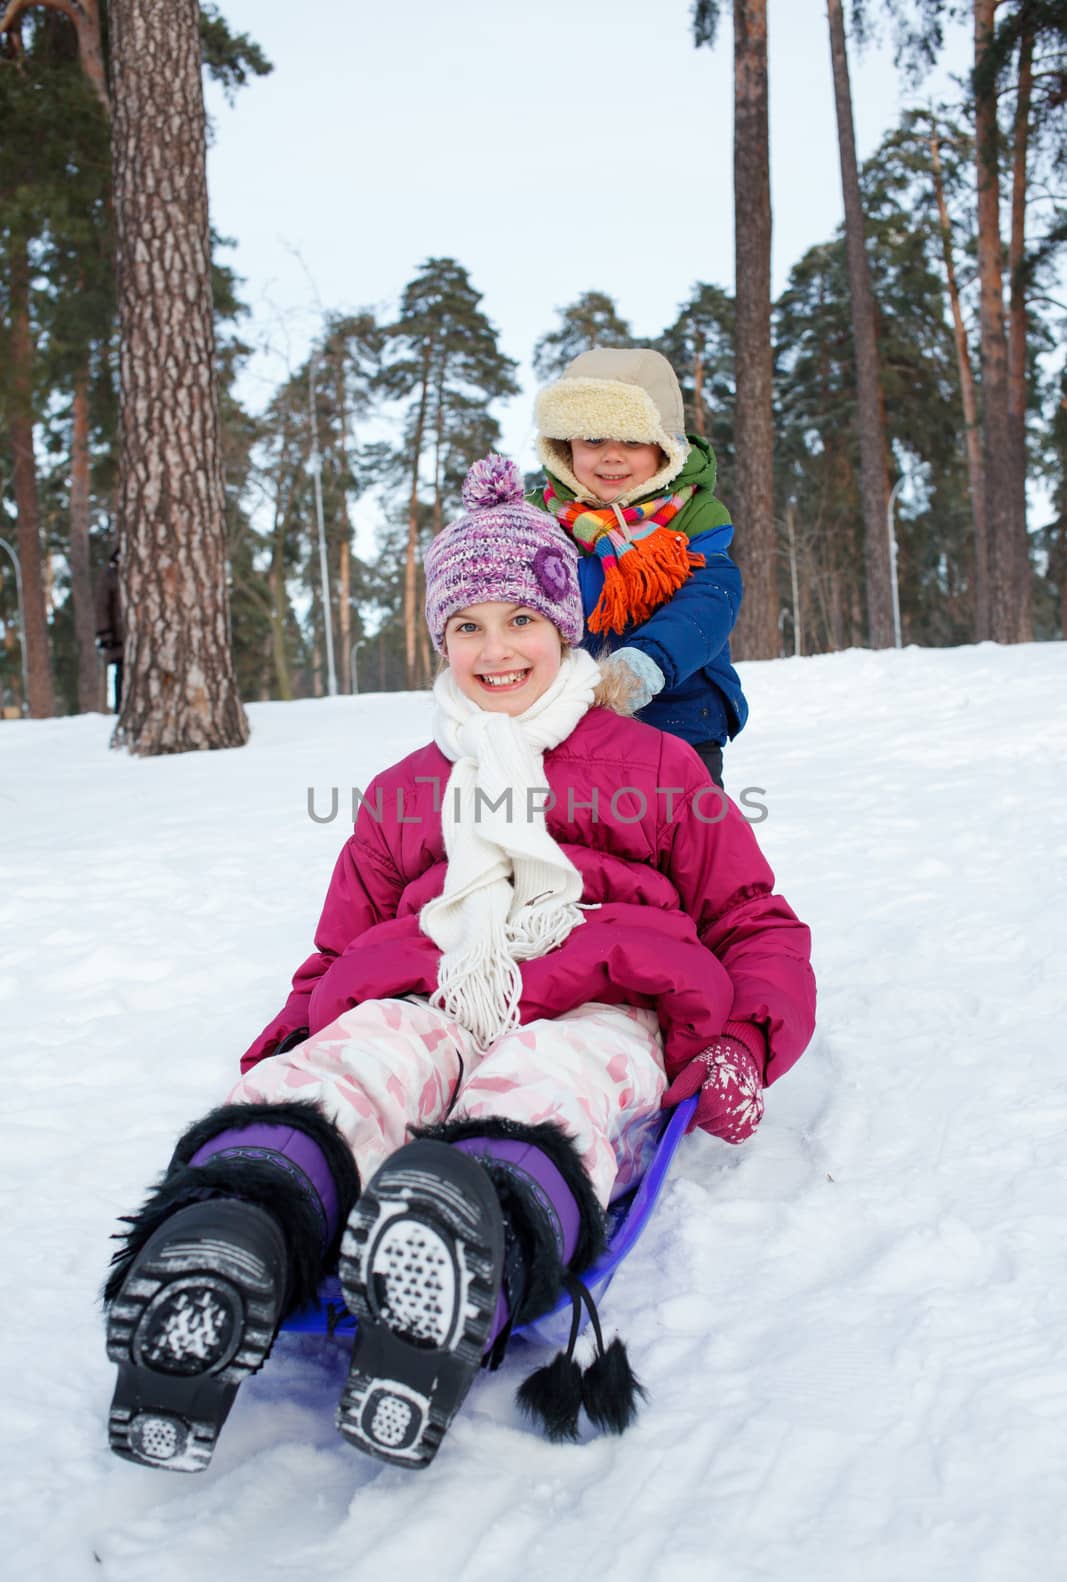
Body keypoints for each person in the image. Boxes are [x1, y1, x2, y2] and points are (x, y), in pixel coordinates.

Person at [103, 456, 815, 1477]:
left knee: (548, 1079)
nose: (495, 648)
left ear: (564, 625)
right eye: (466, 626)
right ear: (439, 640)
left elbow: (755, 925)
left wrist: (742, 1041)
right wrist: (298, 1043)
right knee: (362, 1057)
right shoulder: (408, 787)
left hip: (602, 994)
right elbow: (336, 952)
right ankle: (235, 1234)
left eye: (519, 620)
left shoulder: (654, 766)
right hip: (430, 982)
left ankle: (462, 1235)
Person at [533, 346, 746, 788]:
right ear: (564, 445)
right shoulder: (535, 522)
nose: (612, 456)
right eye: (593, 440)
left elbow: (706, 603)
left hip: (677, 721)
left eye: (631, 441)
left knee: (691, 844)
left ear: (664, 448)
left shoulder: (692, 519)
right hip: (559, 724)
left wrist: (647, 662)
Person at [94, 547, 124, 712]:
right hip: (119, 638)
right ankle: (119, 709)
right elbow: (101, 607)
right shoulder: (110, 575)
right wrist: (105, 634)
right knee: (122, 673)